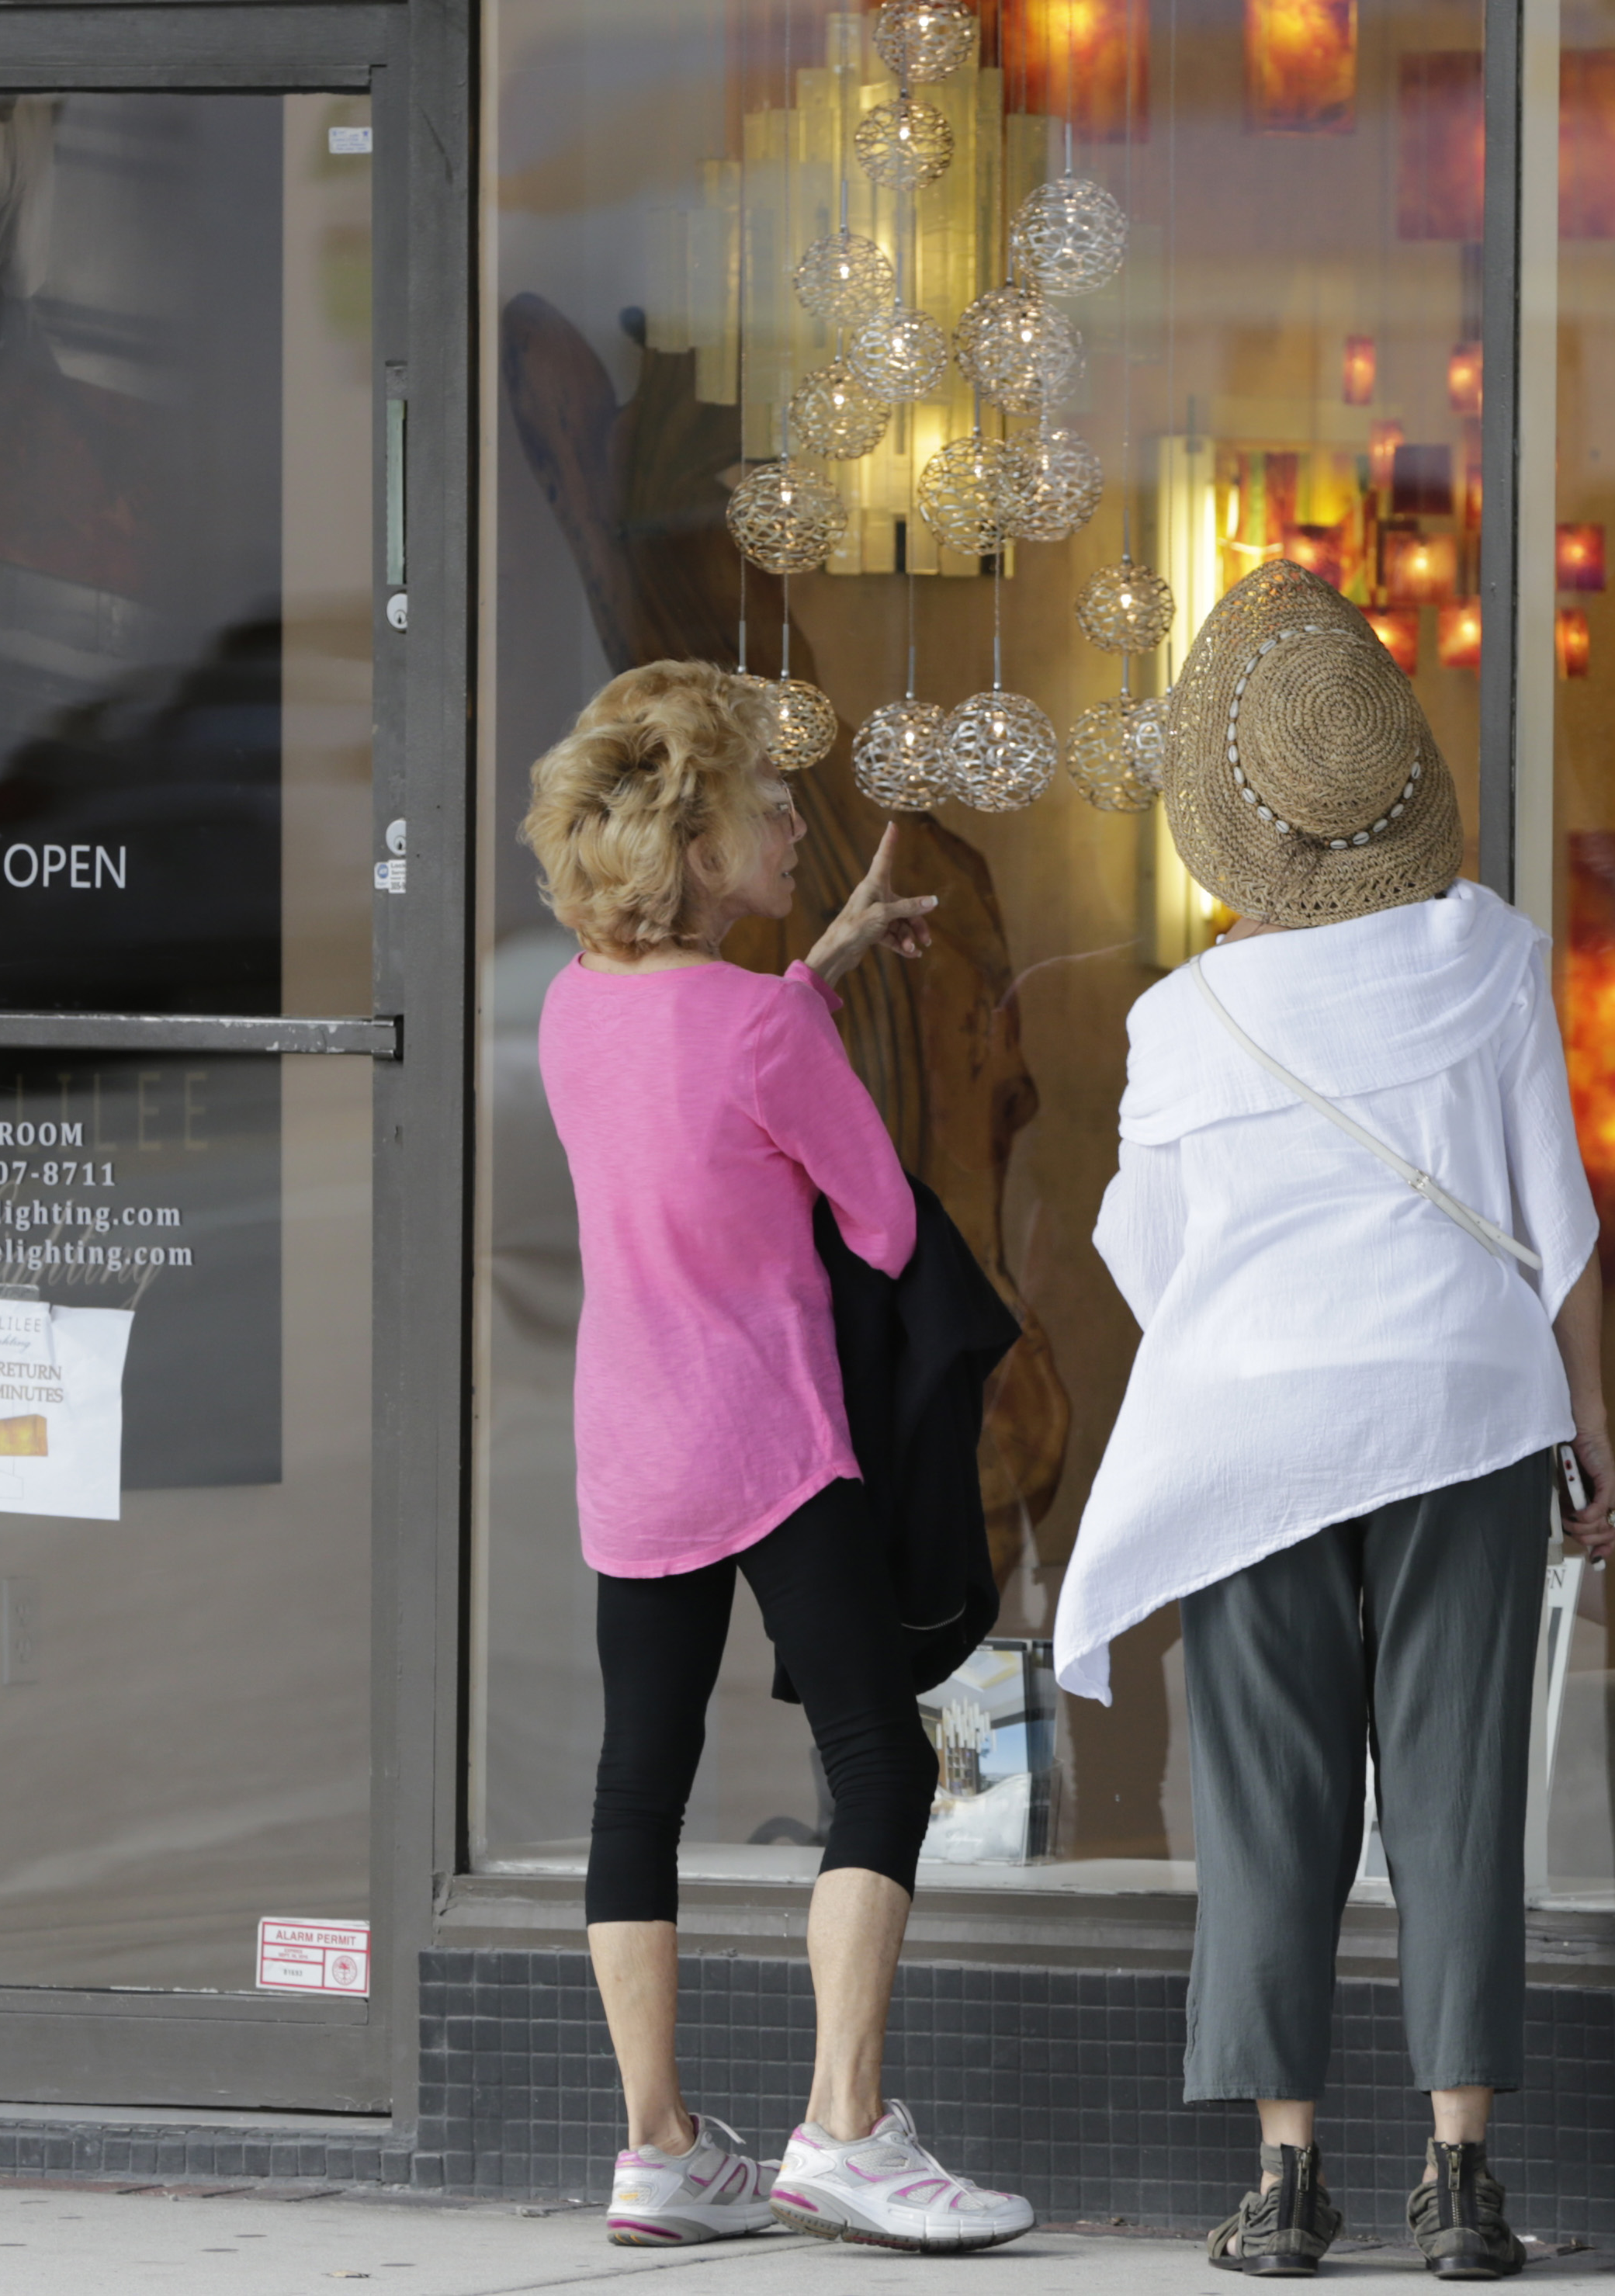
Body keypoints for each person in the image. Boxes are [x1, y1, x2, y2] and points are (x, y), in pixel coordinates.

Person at [1055, 563, 1615, 2280]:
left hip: (1251, 1435)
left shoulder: (1178, 1021)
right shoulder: (1495, 956)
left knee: (1264, 1793)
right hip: (1464, 1407)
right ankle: (1461, 2180)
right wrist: (1590, 1418)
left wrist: (1276, 1341)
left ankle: (1286, 2182)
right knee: (1456, 1789)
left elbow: (1153, 1265)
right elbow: (1557, 1213)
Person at [522, 661, 1031, 2254]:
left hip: (630, 1451)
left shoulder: (570, 1011)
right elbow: (878, 1217)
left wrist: (820, 959)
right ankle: (850, 2128)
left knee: (637, 1788)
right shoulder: (758, 1033)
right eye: (764, 808)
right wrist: (811, 999)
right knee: (881, 1766)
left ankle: (660, 2148)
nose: (795, 826)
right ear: (694, 845)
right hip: (774, 1446)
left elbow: (708, 1073)